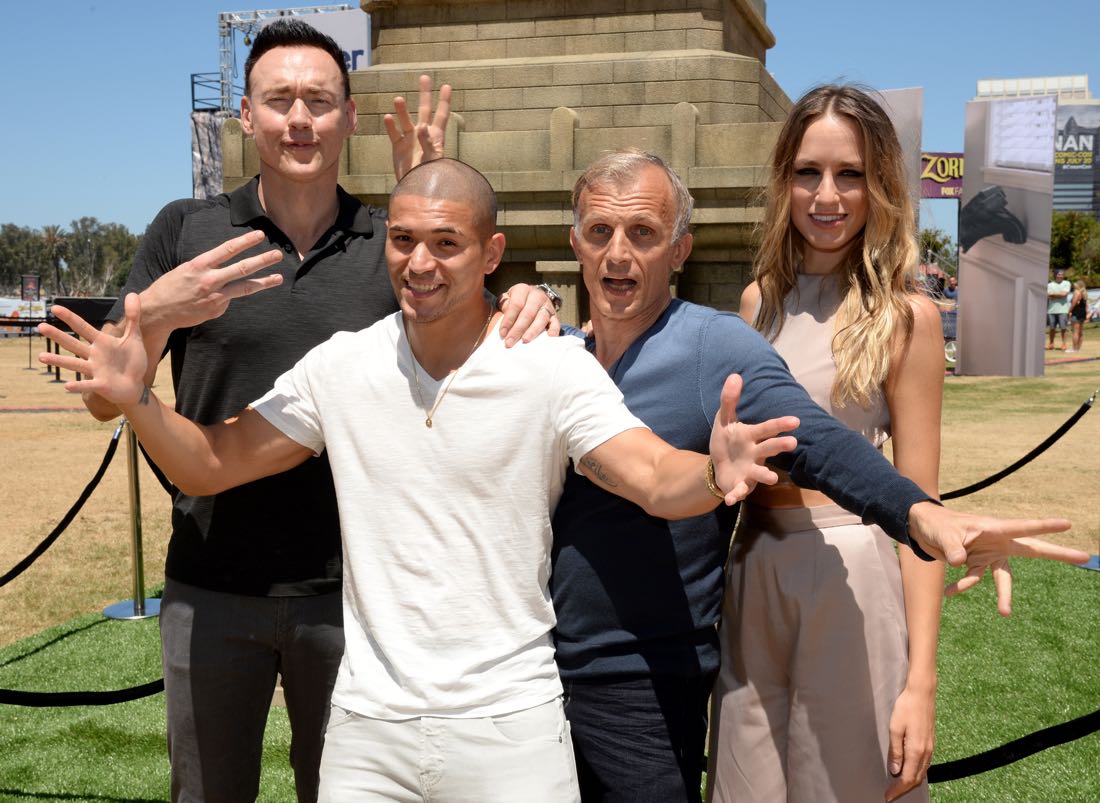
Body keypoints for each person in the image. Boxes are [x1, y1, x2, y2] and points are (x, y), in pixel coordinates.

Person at [40, 157, 803, 802]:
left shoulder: (548, 363)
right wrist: (138, 398)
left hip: (513, 726)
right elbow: (209, 461)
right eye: (403, 240)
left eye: (447, 242)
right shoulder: (342, 366)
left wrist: (713, 469)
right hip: (369, 730)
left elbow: (650, 476)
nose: (420, 262)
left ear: (491, 251)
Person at [75, 20, 557, 803]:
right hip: (210, 579)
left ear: (349, 117)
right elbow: (106, 400)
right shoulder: (185, 232)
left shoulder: (391, 247)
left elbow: (488, 325)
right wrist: (155, 313)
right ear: (246, 115)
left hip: (356, 594)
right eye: (279, 100)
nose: (299, 118)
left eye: (319, 101)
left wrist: (536, 295)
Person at [548, 149, 1085, 803]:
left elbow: (814, 437)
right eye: (600, 232)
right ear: (574, 240)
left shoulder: (716, 345)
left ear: (680, 247)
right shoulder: (551, 352)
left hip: (641, 688)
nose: (617, 254)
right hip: (528, 677)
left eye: (643, 233)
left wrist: (918, 513)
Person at [705, 84, 946, 803]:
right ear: (785, 180)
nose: (827, 195)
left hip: (855, 574)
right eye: (809, 172)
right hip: (753, 567)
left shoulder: (909, 318)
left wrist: (921, 682)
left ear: (882, 187)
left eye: (851, 174)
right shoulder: (756, 303)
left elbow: (920, 509)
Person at [1047, 268, 1072, 350]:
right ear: (1055, 275)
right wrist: (1058, 294)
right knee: (1052, 328)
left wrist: (1053, 295)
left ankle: (1064, 344)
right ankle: (1051, 343)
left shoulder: (1067, 283)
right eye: (1059, 274)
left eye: (1062, 274)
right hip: (1051, 310)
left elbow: (1064, 294)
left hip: (1063, 310)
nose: (1061, 276)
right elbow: (1048, 296)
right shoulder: (1050, 285)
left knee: (1063, 328)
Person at [1068, 279, 1088, 353]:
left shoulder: (1077, 292)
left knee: (1075, 332)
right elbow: (1086, 305)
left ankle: (1074, 349)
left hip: (1076, 312)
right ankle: (1078, 348)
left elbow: (1073, 303)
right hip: (1082, 313)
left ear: (1078, 285)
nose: (1074, 285)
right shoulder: (1084, 293)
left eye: (1075, 284)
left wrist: (1069, 311)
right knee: (1080, 332)